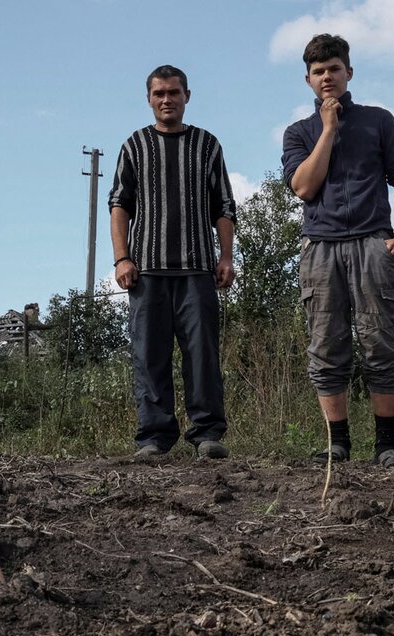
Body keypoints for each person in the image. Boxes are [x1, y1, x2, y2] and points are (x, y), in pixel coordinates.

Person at [281, 33, 394, 469]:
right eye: (318, 72)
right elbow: (304, 187)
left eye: (334, 69)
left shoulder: (379, 120)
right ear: (308, 79)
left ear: (348, 72)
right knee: (325, 345)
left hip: (373, 242)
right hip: (320, 247)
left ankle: (386, 444)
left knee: (380, 342)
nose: (327, 77)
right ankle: (338, 443)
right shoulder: (299, 132)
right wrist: (328, 129)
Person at [109, 65, 237, 460]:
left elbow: (224, 206)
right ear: (149, 99)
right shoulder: (135, 145)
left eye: (174, 93)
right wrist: (121, 258)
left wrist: (226, 256)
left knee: (202, 355)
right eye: (159, 93)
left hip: (197, 269)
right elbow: (119, 205)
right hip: (146, 271)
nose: (167, 100)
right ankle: (154, 437)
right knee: (149, 355)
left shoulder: (207, 145)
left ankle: (207, 434)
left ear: (187, 96)